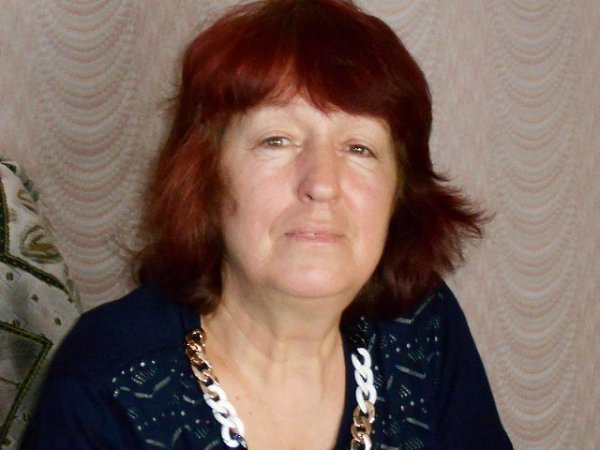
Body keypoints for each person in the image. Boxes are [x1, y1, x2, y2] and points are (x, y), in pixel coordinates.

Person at [22, 0, 512, 448]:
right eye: (277, 140)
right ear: (205, 177)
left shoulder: (422, 329)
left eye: (359, 147)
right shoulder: (108, 381)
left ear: (400, 193)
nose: (322, 184)